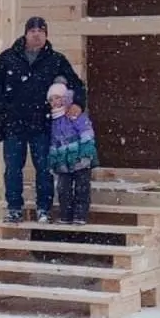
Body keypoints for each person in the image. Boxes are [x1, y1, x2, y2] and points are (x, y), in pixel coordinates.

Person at [0, 16, 87, 224]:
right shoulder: (8, 58)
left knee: (44, 169)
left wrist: (77, 103)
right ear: (26, 34)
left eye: (41, 31)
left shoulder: (56, 60)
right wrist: (4, 108)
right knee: (13, 168)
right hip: (13, 125)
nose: (37, 34)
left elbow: (76, 84)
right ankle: (14, 208)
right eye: (33, 31)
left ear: (46, 35)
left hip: (43, 124)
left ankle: (44, 209)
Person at [47, 79, 98, 224]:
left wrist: (86, 151)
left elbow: (86, 132)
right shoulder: (52, 120)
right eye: (51, 99)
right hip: (63, 160)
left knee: (82, 187)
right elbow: (53, 141)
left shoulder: (74, 114)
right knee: (63, 189)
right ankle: (65, 215)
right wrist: (54, 158)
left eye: (57, 98)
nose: (55, 102)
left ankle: (80, 215)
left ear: (65, 98)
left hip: (79, 157)